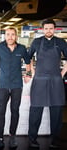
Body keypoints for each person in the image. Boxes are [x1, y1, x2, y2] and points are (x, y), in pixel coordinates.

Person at [28, 19, 67, 149]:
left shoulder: (61, 42)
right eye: (46, 28)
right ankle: (32, 138)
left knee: (56, 111)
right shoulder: (37, 42)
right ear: (43, 29)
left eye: (51, 28)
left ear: (54, 29)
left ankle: (55, 139)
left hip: (56, 80)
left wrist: (62, 73)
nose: (48, 31)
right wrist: (32, 71)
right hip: (39, 79)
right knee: (35, 110)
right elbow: (28, 58)